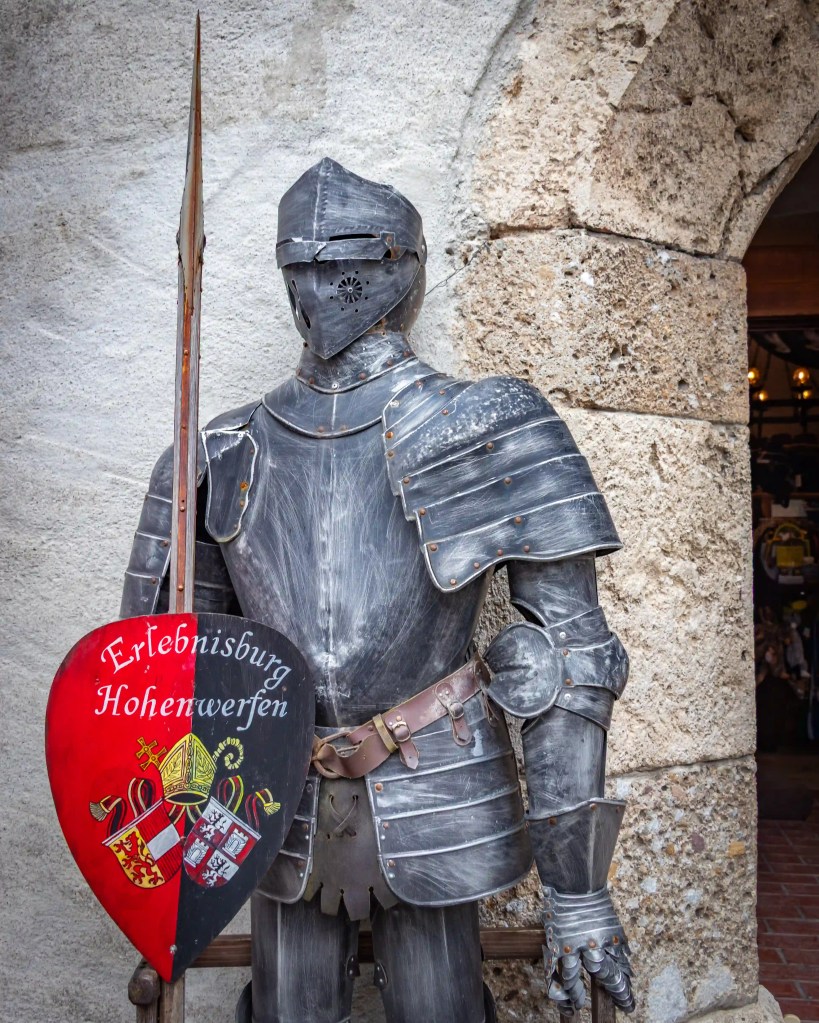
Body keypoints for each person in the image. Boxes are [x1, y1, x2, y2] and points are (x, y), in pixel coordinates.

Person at [121, 158, 635, 1023]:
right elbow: (165, 678)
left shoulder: (486, 424)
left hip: (441, 781)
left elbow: (563, 662)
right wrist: (166, 863)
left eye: (333, 266)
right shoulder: (216, 452)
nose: (321, 286)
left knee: (442, 1005)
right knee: (287, 1009)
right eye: (306, 266)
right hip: (270, 796)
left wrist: (577, 894)